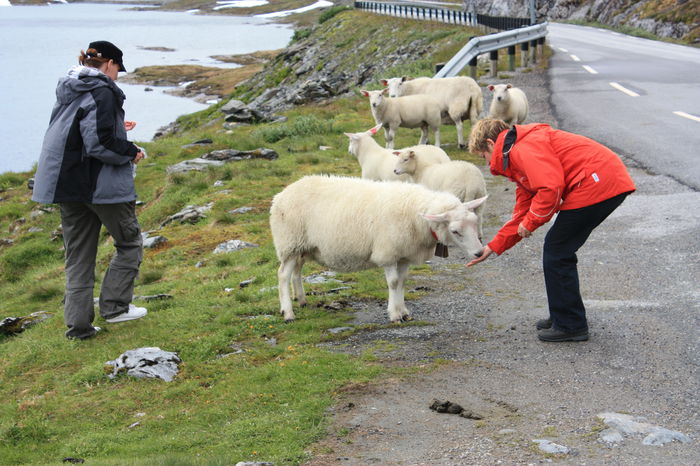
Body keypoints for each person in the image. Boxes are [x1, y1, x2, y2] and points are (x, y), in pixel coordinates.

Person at [466, 119, 636, 342]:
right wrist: (493, 246)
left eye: (483, 156)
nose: (487, 163)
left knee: (557, 251)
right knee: (558, 249)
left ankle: (570, 324)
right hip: (601, 180)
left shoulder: (522, 149)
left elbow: (550, 188)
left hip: (597, 183)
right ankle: (562, 315)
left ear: (490, 143)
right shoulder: (517, 151)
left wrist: (532, 222)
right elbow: (522, 212)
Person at [32, 40, 147, 340]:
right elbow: (100, 143)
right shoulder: (103, 90)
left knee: (79, 256)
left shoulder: (71, 86)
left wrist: (119, 126)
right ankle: (116, 307)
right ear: (109, 64)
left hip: (68, 186)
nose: (118, 75)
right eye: (118, 69)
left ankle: (79, 327)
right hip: (100, 186)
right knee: (130, 242)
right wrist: (130, 150)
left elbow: (80, 131)